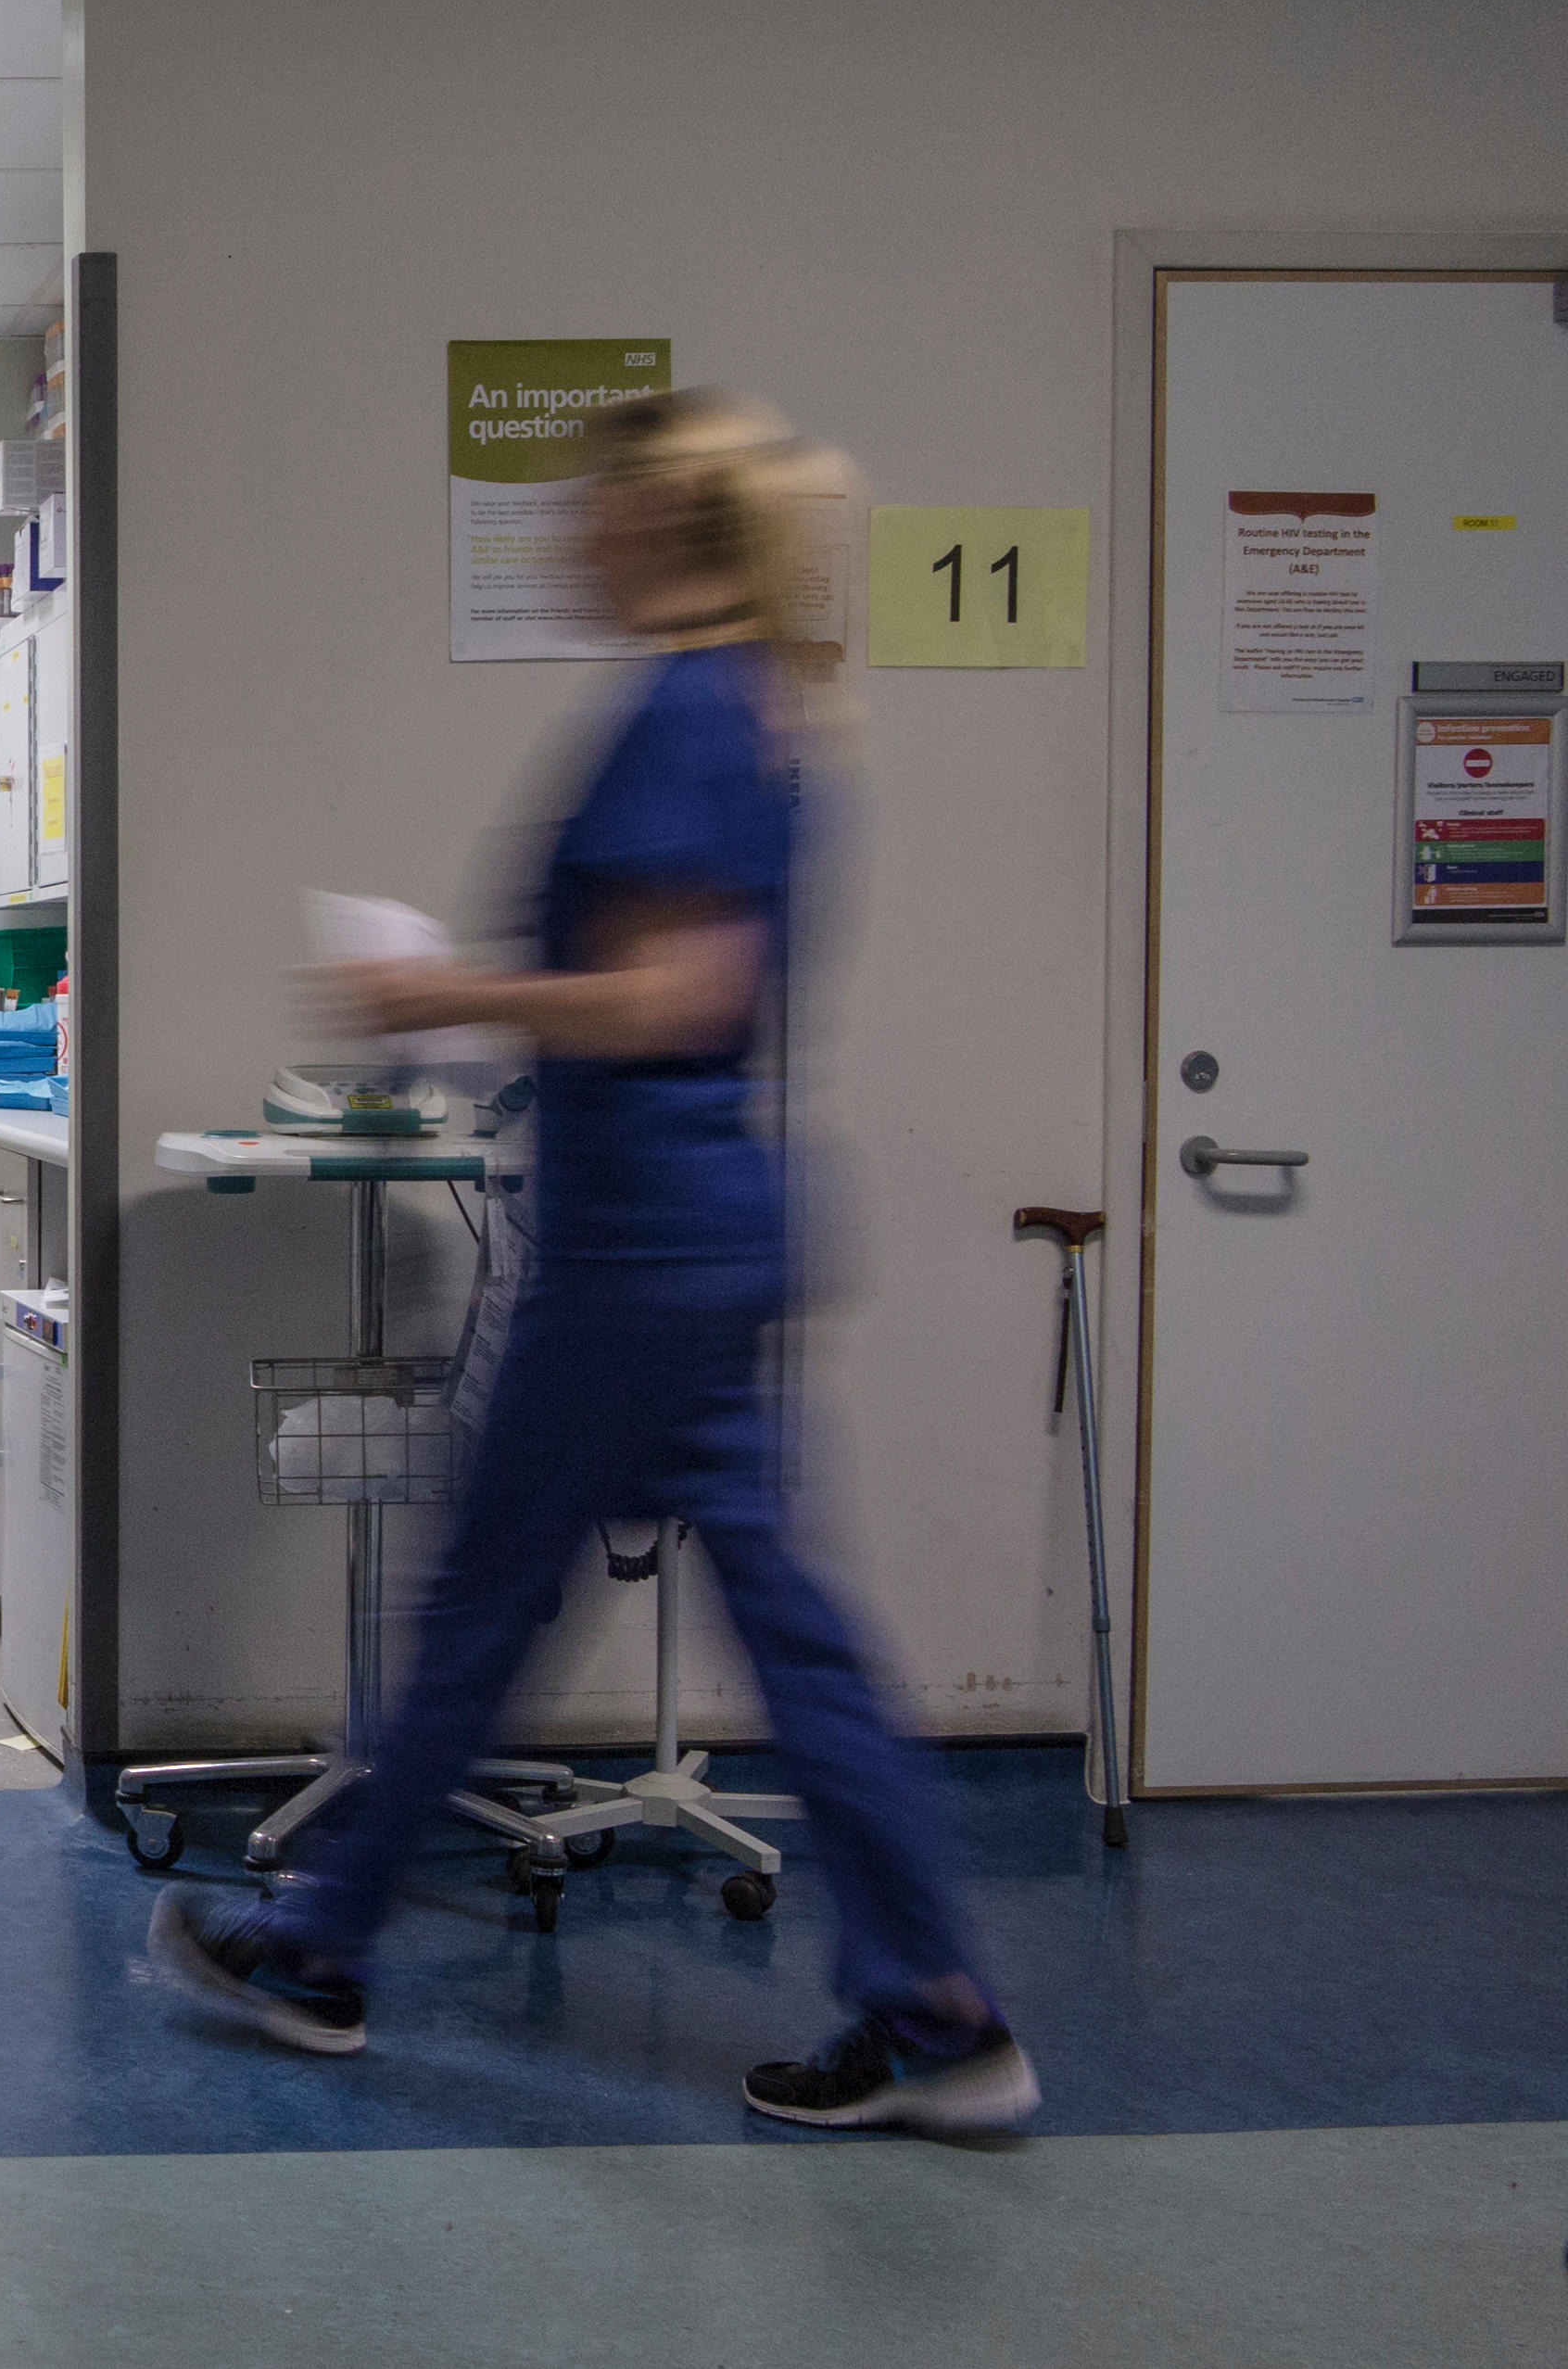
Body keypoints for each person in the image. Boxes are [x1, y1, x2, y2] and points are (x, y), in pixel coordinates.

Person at [148, 386, 1037, 2137]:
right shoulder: (764, 706)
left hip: (639, 1248)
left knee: (483, 1604)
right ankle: (936, 2001)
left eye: (593, 507)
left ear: (657, 523)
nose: (569, 535)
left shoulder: (682, 710)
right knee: (788, 1632)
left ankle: (318, 1945)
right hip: (709, 1228)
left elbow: (676, 997)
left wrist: (442, 995)